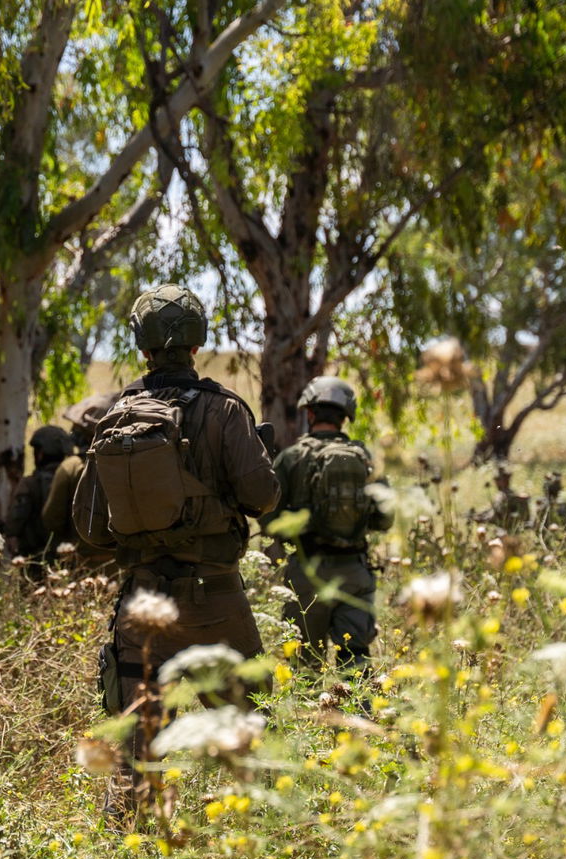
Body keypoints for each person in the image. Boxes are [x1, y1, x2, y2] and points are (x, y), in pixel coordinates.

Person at [73, 284, 278, 775]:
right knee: (252, 752)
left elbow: (90, 528)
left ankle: (132, 842)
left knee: (137, 763)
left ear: (142, 348)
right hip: (216, 603)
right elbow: (263, 498)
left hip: (143, 608)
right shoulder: (226, 410)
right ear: (195, 345)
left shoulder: (115, 416)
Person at [261, 376, 391, 671]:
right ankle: (360, 717)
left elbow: (268, 520)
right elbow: (385, 519)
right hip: (356, 573)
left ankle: (306, 717)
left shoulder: (291, 458)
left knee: (304, 666)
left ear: (309, 413)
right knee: (356, 662)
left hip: (307, 574)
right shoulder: (365, 459)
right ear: (346, 418)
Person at [42, 392, 118, 573]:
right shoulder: (125, 464)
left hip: (82, 565)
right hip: (121, 564)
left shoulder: (71, 467)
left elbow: (52, 518)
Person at [3, 424, 74, 572]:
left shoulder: (30, 483)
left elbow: (15, 521)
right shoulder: (74, 478)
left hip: (35, 560)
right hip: (70, 558)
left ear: (40, 453)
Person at [474, 465, 530, 532]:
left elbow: (498, 516)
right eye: (496, 480)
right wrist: (480, 515)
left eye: (498, 480)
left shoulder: (508, 497)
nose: (496, 482)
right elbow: (492, 510)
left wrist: (483, 519)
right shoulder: (502, 495)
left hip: (506, 530)